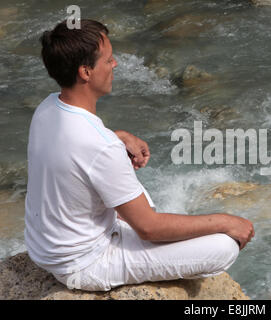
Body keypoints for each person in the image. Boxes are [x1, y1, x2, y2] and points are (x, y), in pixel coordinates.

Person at [24, 19, 254, 291]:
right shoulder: (101, 147)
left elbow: (76, 146)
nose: (116, 65)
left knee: (134, 192)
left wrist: (117, 136)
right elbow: (149, 229)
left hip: (45, 246)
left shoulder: (48, 106)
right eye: (108, 60)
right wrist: (226, 221)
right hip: (85, 262)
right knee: (224, 246)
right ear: (86, 71)